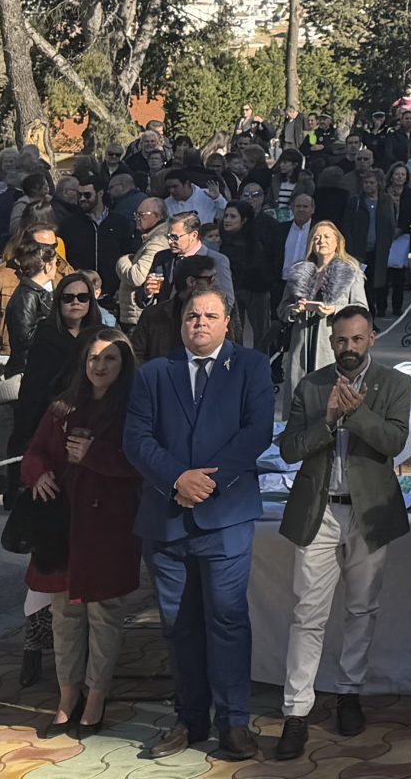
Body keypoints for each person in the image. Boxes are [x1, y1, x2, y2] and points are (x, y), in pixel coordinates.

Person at [128, 289, 273, 761]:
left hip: (225, 518)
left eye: (211, 316)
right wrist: (176, 480)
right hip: (166, 521)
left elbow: (257, 430)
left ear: (227, 323)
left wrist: (208, 483)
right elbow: (136, 437)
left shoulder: (250, 366)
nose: (201, 323)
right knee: (179, 625)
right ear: (181, 322)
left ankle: (233, 722)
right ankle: (189, 718)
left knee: (227, 621)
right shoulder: (153, 373)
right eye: (193, 315)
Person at [272, 305, 409, 757]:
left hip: (369, 514)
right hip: (320, 512)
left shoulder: (394, 383)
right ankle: (296, 711)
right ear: (331, 342)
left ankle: (349, 694)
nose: (349, 348)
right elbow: (289, 448)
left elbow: (393, 442)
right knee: (307, 614)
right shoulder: (312, 386)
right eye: (341, 341)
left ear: (371, 338)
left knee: (362, 610)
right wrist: (329, 419)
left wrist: (357, 413)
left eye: (357, 339)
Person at [21, 329, 144, 741]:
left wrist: (96, 457)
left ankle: (96, 699)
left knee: (104, 616)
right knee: (65, 616)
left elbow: (140, 464)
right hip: (64, 528)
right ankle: (66, 697)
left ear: (123, 364)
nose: (100, 366)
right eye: (93, 358)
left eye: (109, 358)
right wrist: (37, 474)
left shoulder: (134, 408)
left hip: (109, 528)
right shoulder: (62, 407)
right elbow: (34, 451)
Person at [279, 220, 366, 397]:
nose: (321, 241)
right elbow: (282, 309)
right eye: (316, 238)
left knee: (329, 397)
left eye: (327, 237)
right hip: (301, 344)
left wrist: (335, 309)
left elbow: (362, 309)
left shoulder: (351, 271)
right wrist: (294, 309)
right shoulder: (298, 272)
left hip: (332, 343)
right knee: (299, 397)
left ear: (337, 242)